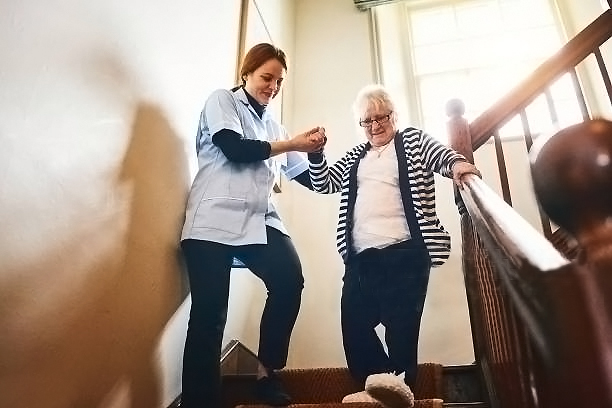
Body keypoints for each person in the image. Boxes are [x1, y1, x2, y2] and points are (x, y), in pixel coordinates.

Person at [180, 42, 326, 408]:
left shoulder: (275, 124)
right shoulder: (223, 101)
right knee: (209, 316)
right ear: (246, 73)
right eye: (266, 77)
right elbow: (234, 148)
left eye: (279, 81)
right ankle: (201, 402)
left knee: (289, 280)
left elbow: (307, 177)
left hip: (260, 219)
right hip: (212, 222)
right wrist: (291, 143)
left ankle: (266, 377)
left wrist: (316, 150)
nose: (272, 87)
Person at [308, 84, 480, 392]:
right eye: (367, 121)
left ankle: (398, 386)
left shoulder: (411, 139)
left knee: (401, 333)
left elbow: (439, 155)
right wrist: (316, 154)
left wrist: (457, 165)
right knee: (354, 329)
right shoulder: (355, 156)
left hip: (406, 253)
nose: (375, 125)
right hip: (361, 258)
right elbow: (325, 183)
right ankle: (387, 388)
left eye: (381, 117)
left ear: (394, 115)